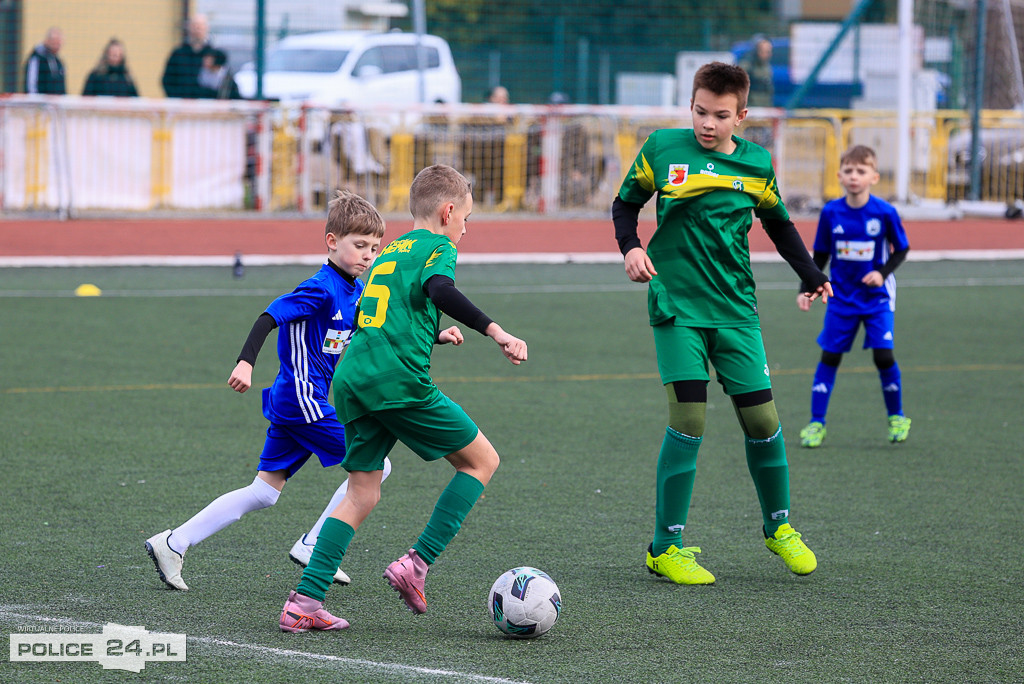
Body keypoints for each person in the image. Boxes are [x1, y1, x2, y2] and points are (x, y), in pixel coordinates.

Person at [278, 164, 528, 632]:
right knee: (481, 461)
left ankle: (304, 602)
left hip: (353, 378)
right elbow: (439, 288)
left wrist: (434, 334)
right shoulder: (439, 246)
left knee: (361, 492)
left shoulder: (391, 250)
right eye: (467, 218)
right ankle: (417, 564)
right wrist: (496, 331)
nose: (465, 229)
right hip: (396, 380)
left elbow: (384, 314)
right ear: (448, 211)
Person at [611, 61, 833, 585]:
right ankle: (666, 547)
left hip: (736, 311)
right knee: (689, 420)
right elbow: (625, 206)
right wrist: (631, 248)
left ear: (742, 116)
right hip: (677, 308)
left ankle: (779, 528)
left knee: (762, 422)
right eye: (700, 112)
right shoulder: (663, 149)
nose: (707, 124)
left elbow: (779, 223)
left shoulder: (757, 164)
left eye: (720, 115)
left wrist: (810, 274)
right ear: (691, 106)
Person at [145, 190, 394, 591]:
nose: (368, 254)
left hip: (295, 402)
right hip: (302, 399)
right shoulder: (320, 287)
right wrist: (246, 362)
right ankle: (314, 544)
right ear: (331, 241)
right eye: (359, 245)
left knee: (263, 492)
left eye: (374, 247)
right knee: (376, 464)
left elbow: (376, 332)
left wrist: (435, 335)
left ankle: (174, 542)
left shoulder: (355, 291)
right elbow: (268, 317)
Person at [797, 145, 911, 448]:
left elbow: (901, 249)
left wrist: (882, 273)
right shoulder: (831, 212)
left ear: (874, 176)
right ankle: (816, 423)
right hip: (842, 297)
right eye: (848, 170)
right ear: (839, 175)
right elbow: (820, 254)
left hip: (877, 298)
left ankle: (896, 416)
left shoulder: (885, 213)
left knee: (883, 355)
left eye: (861, 171)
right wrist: (806, 287)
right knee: (830, 356)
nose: (854, 176)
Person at [161, 13, 210, 98]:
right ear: (189, 28)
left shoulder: (213, 55)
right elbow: (167, 80)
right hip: (180, 105)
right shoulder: (178, 54)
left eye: (200, 26)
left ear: (206, 28)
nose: (197, 29)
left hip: (207, 105)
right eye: (195, 26)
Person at [23, 27, 66, 95]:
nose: (57, 45)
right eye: (54, 42)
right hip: (40, 103)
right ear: (47, 41)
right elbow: (31, 83)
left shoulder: (58, 61)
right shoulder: (37, 58)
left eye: (59, 43)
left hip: (55, 103)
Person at [740, 38, 774, 108]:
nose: (768, 55)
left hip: (764, 104)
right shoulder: (747, 66)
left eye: (769, 52)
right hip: (751, 105)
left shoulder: (766, 66)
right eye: (765, 52)